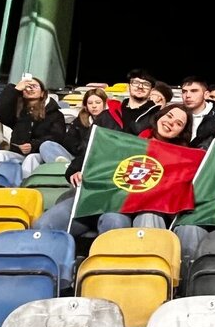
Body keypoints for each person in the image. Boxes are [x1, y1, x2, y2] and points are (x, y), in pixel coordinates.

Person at [34, 103, 205, 258]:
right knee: (44, 225)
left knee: (114, 222)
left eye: (178, 124)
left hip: (123, 206)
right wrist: (75, 171)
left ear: (182, 132)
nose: (171, 123)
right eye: (169, 116)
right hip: (94, 197)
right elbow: (91, 155)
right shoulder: (127, 138)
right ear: (160, 116)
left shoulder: (180, 158)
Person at [0, 75, 66, 177]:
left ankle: (25, 189)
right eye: (27, 87)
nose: (30, 89)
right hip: (18, 154)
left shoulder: (55, 114)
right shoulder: (19, 112)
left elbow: (57, 137)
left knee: (31, 159)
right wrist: (15, 89)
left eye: (34, 86)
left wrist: (33, 145)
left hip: (39, 155)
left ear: (42, 93)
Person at [40, 87, 108, 164]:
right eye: (90, 103)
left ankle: (67, 168)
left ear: (104, 104)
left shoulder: (110, 121)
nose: (94, 106)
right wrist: (79, 149)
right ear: (85, 105)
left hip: (98, 160)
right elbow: (69, 141)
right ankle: (66, 168)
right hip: (77, 157)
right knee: (46, 145)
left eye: (98, 102)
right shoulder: (80, 120)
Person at [97, 69, 160, 136]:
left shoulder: (157, 118)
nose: (140, 87)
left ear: (152, 90)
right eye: (136, 82)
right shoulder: (107, 115)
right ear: (128, 86)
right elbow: (90, 141)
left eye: (146, 84)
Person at [180, 77, 215, 145]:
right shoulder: (176, 115)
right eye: (184, 92)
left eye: (194, 91)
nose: (188, 95)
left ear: (206, 95)